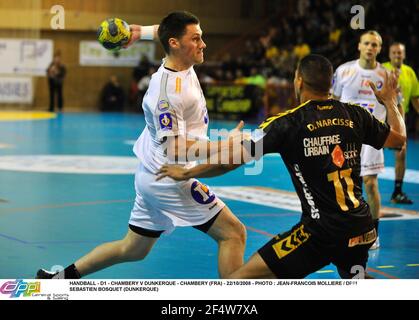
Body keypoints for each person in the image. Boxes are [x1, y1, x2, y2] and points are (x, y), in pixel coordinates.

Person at [36, 11, 246, 279]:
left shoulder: (181, 58)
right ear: (174, 44)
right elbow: (175, 149)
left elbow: (164, 29)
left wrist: (139, 31)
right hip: (170, 178)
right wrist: (223, 144)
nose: (203, 44)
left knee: (132, 249)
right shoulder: (167, 92)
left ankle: (56, 280)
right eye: (196, 39)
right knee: (233, 234)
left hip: (149, 174)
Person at [157, 54, 406, 279]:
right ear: (331, 82)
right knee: (354, 279)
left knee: (236, 282)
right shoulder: (356, 115)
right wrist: (390, 103)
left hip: (320, 233)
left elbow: (232, 160)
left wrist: (188, 172)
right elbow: (399, 140)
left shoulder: (288, 123)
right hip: (362, 229)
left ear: (298, 80)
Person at [332, 30, 388, 250]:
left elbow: (395, 105)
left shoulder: (386, 75)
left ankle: (374, 234)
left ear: (379, 49)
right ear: (359, 46)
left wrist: (395, 135)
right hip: (346, 137)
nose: (370, 48)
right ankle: (346, 230)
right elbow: (333, 101)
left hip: (373, 137)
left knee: (370, 183)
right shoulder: (344, 71)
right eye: (367, 43)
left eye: (375, 44)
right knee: (343, 184)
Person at [382, 43, 419, 204]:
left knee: (401, 154)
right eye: (394, 52)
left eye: (400, 53)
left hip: (399, 121)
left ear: (404, 55)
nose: (397, 55)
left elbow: (415, 98)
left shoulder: (409, 72)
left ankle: (397, 192)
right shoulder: (381, 69)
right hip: (380, 119)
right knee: (370, 154)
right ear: (389, 55)